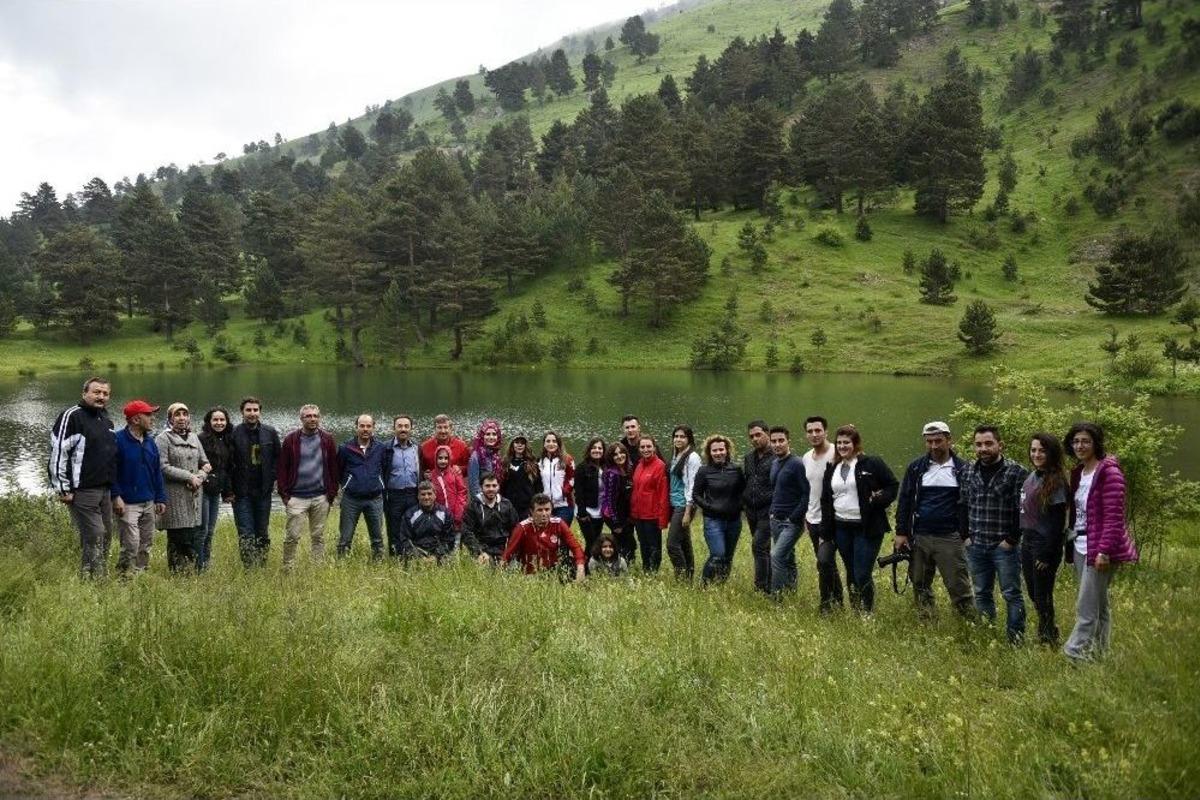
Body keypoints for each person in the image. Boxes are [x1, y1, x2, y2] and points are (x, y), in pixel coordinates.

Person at [1063, 422, 1137, 661]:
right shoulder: (1079, 472)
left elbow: (1114, 518)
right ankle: (1098, 653)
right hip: (1080, 545)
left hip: (1100, 549)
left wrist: (1104, 551)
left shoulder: (1109, 473)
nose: (1080, 446)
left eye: (1085, 441)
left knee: (1086, 608)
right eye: (1075, 441)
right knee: (1099, 605)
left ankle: (1073, 654)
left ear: (1096, 443)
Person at [894, 421, 973, 618]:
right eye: (929, 441)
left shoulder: (963, 469)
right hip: (920, 535)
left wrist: (967, 533)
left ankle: (968, 624)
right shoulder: (916, 468)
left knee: (958, 584)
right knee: (919, 583)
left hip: (950, 537)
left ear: (949, 440)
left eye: (938, 441)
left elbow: (971, 504)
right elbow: (904, 500)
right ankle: (926, 621)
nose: (934, 446)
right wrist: (901, 532)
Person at [959, 425, 1030, 643]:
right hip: (976, 544)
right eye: (979, 444)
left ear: (1000, 445)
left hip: (1004, 546)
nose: (983, 448)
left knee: (1011, 594)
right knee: (981, 593)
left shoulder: (1017, 472)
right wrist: (965, 536)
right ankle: (987, 635)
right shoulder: (968, 471)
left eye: (988, 443)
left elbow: (1024, 510)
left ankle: (1015, 639)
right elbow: (962, 504)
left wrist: (1011, 539)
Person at [819, 425, 899, 614]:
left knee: (862, 572)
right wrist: (825, 530)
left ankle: (867, 612)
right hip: (841, 527)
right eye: (839, 443)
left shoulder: (871, 463)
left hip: (867, 527)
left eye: (846, 442)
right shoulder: (832, 467)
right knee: (851, 570)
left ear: (855, 443)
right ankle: (856, 609)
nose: (842, 446)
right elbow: (826, 500)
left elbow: (893, 485)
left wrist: (877, 499)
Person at [49, 376, 117, 578]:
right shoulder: (72, 416)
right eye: (97, 392)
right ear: (84, 393)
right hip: (82, 490)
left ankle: (90, 574)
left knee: (106, 535)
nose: (101, 397)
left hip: (104, 489)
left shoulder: (106, 420)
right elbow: (58, 453)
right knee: (95, 533)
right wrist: (62, 488)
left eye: (105, 393)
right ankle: (98, 579)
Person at [1020, 432, 1069, 645]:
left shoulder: (1055, 480)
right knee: (1032, 591)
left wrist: (1048, 553)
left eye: (1042, 450)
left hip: (1045, 544)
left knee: (1042, 593)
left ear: (1052, 452)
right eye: (1033, 450)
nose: (1037, 454)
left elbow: (1058, 522)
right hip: (1027, 540)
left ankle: (1048, 636)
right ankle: (1047, 628)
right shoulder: (1032, 476)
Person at [276, 404, 338, 569]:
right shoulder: (291, 440)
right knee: (292, 536)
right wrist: (285, 496)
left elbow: (333, 467)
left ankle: (317, 567)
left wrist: (331, 493)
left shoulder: (327, 439)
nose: (312, 419)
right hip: (296, 497)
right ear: (301, 419)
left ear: (319, 417)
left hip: (320, 497)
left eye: (315, 416)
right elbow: (282, 468)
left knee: (318, 536)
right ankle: (288, 567)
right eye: (308, 416)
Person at [111, 399, 166, 576]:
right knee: (131, 543)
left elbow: (157, 472)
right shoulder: (117, 440)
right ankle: (123, 575)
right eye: (148, 415)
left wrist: (160, 498)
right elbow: (109, 471)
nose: (153, 418)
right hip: (127, 503)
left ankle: (140, 575)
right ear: (135, 419)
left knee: (146, 543)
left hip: (149, 501)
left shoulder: (150, 442)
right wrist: (116, 496)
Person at [155, 402, 212, 573]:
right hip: (174, 496)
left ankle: (193, 573)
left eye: (184, 414)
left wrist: (199, 477)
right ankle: (176, 573)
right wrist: (188, 476)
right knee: (177, 537)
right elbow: (161, 466)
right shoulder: (163, 438)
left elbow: (206, 463)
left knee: (194, 535)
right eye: (177, 414)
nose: (181, 418)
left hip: (195, 495)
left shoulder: (194, 437)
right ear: (170, 418)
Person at [229, 396, 281, 568]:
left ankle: (262, 564)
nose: (252, 413)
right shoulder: (234, 433)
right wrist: (229, 490)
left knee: (262, 532)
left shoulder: (270, 432)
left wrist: (273, 478)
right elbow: (228, 463)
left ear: (260, 411)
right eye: (248, 410)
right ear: (242, 412)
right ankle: (249, 568)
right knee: (245, 532)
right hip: (241, 492)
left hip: (263, 492)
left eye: (255, 410)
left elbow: (277, 459)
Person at [801, 416, 843, 611]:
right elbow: (807, 489)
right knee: (825, 562)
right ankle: (836, 601)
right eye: (810, 431)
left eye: (818, 430)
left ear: (826, 431)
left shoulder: (838, 452)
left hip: (834, 519)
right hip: (813, 518)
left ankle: (826, 603)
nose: (814, 434)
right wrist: (805, 516)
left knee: (824, 561)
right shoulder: (806, 457)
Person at [692, 434, 745, 585]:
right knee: (717, 554)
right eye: (714, 450)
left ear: (727, 450)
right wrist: (710, 507)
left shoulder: (736, 470)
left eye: (721, 449)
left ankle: (721, 584)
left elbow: (744, 491)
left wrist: (740, 506)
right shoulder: (704, 471)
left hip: (734, 520)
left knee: (728, 556)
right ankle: (704, 584)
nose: (718, 453)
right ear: (709, 453)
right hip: (713, 520)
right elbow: (696, 495)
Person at [335, 414, 387, 560]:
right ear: (356, 427)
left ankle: (378, 563)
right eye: (362, 426)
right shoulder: (345, 448)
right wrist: (347, 485)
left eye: (368, 426)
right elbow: (339, 470)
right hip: (351, 499)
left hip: (375, 498)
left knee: (377, 538)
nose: (365, 429)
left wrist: (378, 483)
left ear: (373, 428)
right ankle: (341, 564)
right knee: (345, 537)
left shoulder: (380, 448)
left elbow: (385, 467)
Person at [501, 493, 586, 581]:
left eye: (547, 509)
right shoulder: (522, 528)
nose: (544, 514)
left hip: (554, 573)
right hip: (529, 576)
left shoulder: (559, 524)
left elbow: (576, 547)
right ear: (531, 511)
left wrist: (580, 567)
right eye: (540, 510)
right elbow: (507, 554)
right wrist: (500, 577)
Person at [768, 426, 808, 595]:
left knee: (776, 556)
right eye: (774, 441)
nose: (777, 444)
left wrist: (794, 517)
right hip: (775, 520)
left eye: (781, 441)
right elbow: (776, 490)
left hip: (791, 523)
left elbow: (807, 493)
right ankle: (791, 592)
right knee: (788, 558)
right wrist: (771, 511)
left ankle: (777, 597)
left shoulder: (798, 464)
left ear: (788, 442)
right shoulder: (775, 463)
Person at [196, 406, 234, 572]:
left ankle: (206, 564)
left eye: (222, 420)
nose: (219, 423)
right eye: (215, 420)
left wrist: (227, 491)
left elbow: (225, 469)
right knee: (202, 530)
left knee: (210, 530)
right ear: (209, 422)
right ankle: (199, 565)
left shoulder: (227, 439)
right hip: (202, 490)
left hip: (216, 492)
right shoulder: (201, 439)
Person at [742, 420, 775, 593]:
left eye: (758, 435)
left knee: (758, 546)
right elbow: (747, 481)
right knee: (764, 548)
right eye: (751, 436)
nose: (755, 439)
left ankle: (761, 588)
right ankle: (768, 583)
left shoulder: (776, 456)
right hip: (751, 510)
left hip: (768, 509)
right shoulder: (749, 457)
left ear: (767, 434)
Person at [630, 435, 670, 573]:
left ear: (654, 447)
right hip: (638, 514)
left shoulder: (660, 466)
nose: (645, 449)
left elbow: (663, 495)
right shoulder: (639, 464)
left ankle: (653, 572)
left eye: (648, 446)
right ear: (639, 449)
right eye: (642, 447)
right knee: (643, 544)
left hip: (652, 515)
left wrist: (662, 519)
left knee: (654, 546)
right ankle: (646, 569)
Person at [666, 425, 702, 580]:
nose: (678, 439)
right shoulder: (677, 454)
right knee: (684, 542)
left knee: (672, 544)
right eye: (676, 436)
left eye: (682, 437)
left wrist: (688, 511)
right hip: (675, 504)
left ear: (689, 439)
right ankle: (689, 576)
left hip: (684, 505)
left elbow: (692, 485)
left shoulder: (692, 457)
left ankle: (681, 578)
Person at [461, 472, 520, 563]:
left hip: (504, 550)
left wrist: (508, 553)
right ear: (481, 487)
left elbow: (515, 530)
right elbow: (467, 532)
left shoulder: (507, 505)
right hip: (482, 550)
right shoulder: (473, 506)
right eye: (487, 486)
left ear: (498, 487)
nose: (491, 489)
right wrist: (479, 552)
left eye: (494, 485)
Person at [384, 414, 421, 557]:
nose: (403, 429)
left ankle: (412, 555)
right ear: (394, 428)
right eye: (400, 426)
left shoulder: (417, 448)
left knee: (413, 525)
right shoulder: (386, 448)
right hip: (394, 495)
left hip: (413, 493)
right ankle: (395, 557)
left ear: (411, 429)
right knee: (394, 528)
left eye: (406, 426)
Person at [397, 481, 455, 562]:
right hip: (417, 552)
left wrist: (436, 556)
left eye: (429, 494)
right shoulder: (409, 515)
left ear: (435, 495)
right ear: (418, 496)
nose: (426, 497)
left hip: (439, 553)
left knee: (450, 560)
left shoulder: (445, 513)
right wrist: (419, 558)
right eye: (423, 494)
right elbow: (405, 539)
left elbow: (449, 539)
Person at [600, 442, 636, 565]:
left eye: (621, 453)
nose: (619, 456)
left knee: (629, 543)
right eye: (615, 455)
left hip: (626, 513)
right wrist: (616, 523)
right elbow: (610, 500)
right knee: (624, 543)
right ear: (611, 458)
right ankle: (619, 567)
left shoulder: (628, 469)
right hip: (614, 514)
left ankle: (627, 566)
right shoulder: (612, 473)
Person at [575, 437, 607, 562]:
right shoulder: (582, 468)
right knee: (592, 541)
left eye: (600, 448)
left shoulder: (605, 467)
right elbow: (578, 492)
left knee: (596, 540)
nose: (597, 450)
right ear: (589, 450)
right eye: (594, 448)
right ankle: (585, 566)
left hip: (600, 510)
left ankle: (591, 565)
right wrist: (582, 513)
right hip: (586, 510)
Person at [430, 445, 468, 535]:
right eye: (440, 458)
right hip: (438, 513)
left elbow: (462, 491)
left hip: (454, 512)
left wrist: (459, 511)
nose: (443, 461)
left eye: (446, 458)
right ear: (435, 459)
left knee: (455, 534)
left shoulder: (455, 473)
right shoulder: (432, 475)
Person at [539, 431, 575, 526]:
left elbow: (573, 478)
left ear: (558, 443)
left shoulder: (567, 459)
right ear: (544, 444)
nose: (551, 444)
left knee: (560, 534)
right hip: (545, 506)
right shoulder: (540, 461)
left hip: (564, 505)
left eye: (554, 441)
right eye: (548, 441)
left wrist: (564, 492)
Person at [501, 434, 539, 520]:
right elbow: (502, 485)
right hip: (509, 505)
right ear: (512, 445)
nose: (519, 445)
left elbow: (538, 486)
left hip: (527, 507)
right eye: (517, 442)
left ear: (526, 445)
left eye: (522, 443)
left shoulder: (533, 464)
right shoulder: (505, 463)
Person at [467, 419, 504, 497]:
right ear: (482, 436)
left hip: (495, 497)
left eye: (494, 434)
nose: (491, 437)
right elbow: (474, 485)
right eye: (488, 434)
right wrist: (482, 501)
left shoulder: (496, 454)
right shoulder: (476, 456)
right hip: (482, 500)